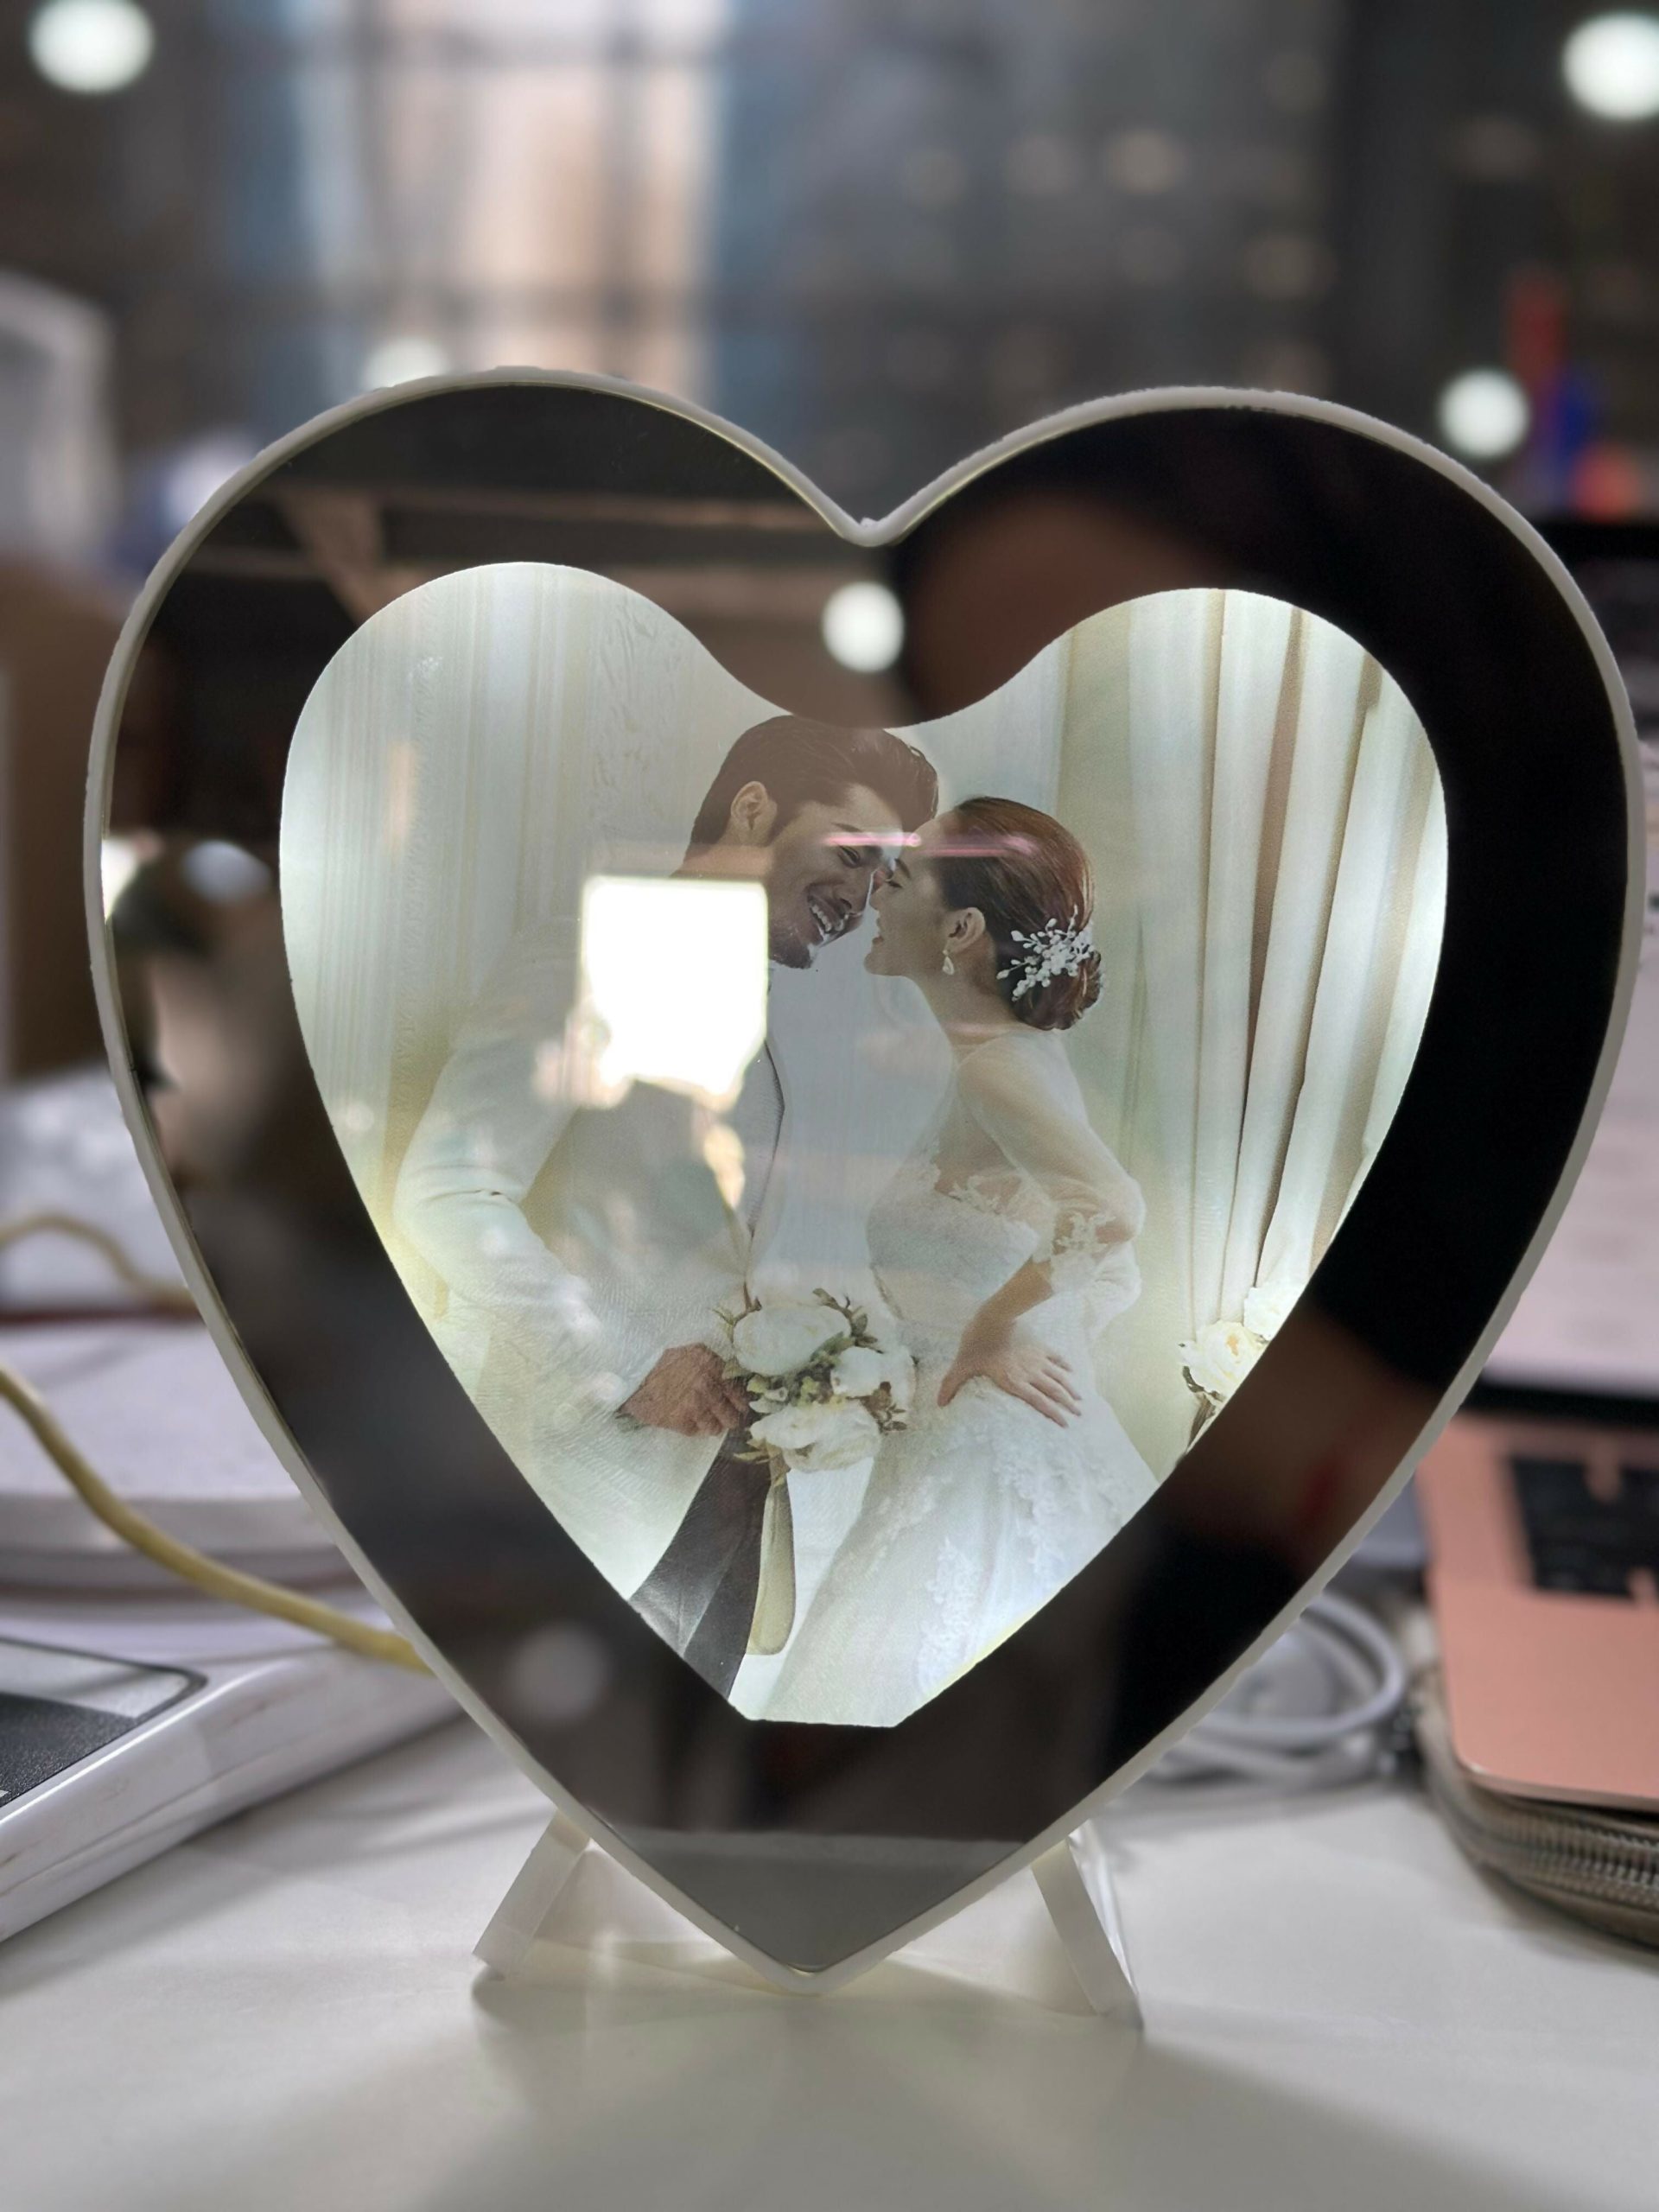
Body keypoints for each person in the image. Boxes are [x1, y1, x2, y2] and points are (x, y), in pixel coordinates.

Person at [391, 715, 938, 1696]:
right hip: (574, 1489)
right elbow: (445, 1195)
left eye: (880, 879)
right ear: (755, 807)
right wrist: (627, 1362)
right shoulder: (578, 954)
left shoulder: (772, 1005)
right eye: (853, 856)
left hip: (725, 1495)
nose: (859, 902)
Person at [765, 796, 1157, 1726]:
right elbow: (1109, 1271)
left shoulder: (998, 1067)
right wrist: (1036, 1332)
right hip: (968, 1430)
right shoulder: (1007, 1056)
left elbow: (1111, 1213)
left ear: (961, 930)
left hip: (983, 1451)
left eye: (899, 881)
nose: (874, 895)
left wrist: (992, 1327)